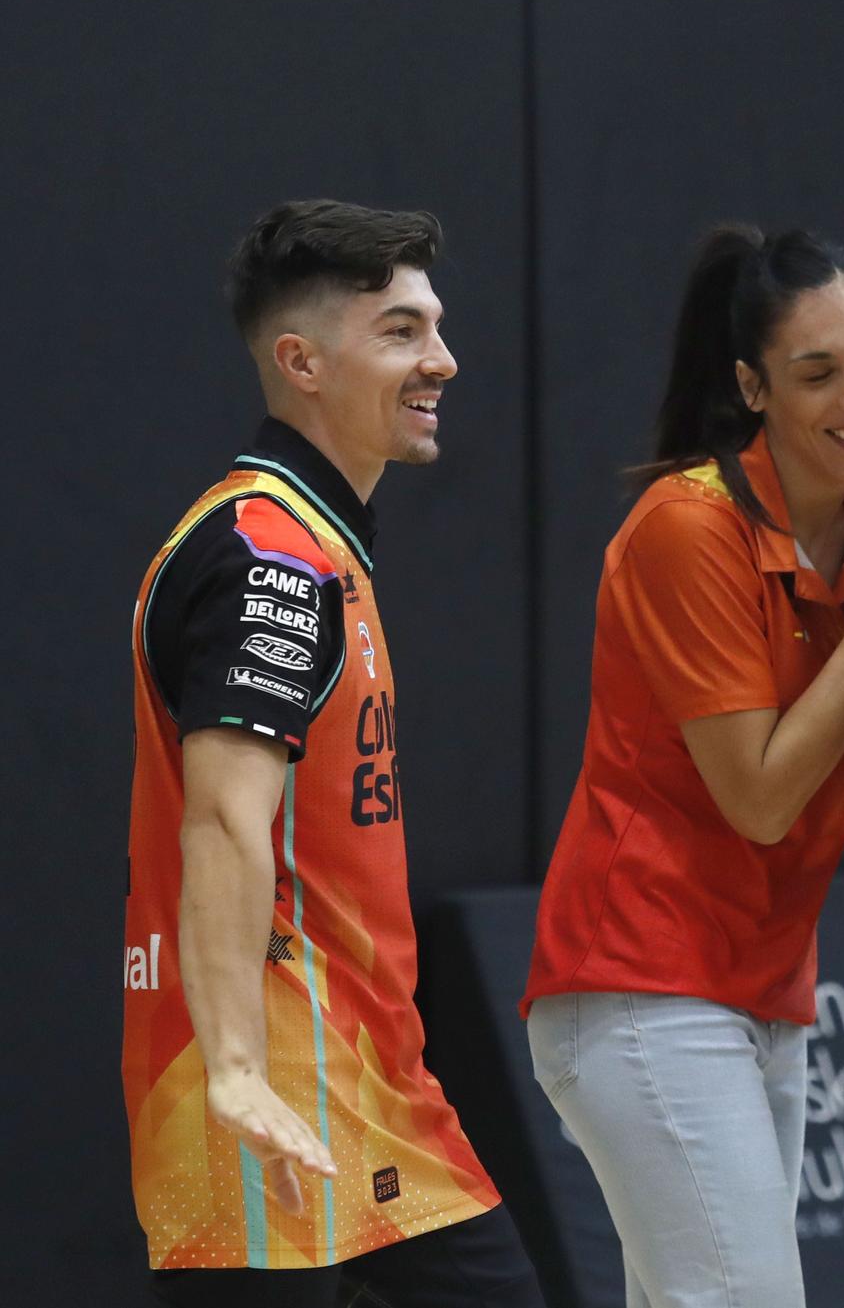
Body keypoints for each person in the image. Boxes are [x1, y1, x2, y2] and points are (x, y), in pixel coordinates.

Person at [521, 226, 844, 1308]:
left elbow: (823, 798)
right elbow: (761, 797)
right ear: (753, 388)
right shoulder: (687, 527)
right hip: (639, 983)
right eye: (818, 371)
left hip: (764, 989)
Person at [123, 199, 544, 1306]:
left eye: (437, 327)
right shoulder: (269, 552)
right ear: (301, 361)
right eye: (401, 331)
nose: (442, 360)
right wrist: (236, 1070)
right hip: (264, 1091)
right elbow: (220, 818)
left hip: (370, 1080)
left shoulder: (313, 543)